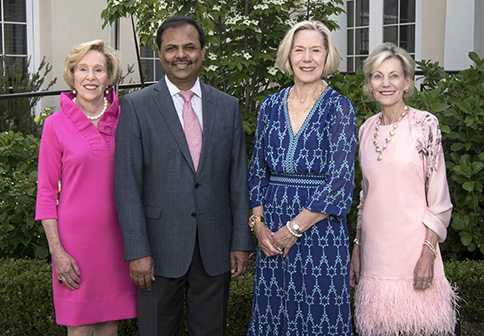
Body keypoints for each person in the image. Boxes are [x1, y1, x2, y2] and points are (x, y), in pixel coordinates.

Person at [113, 15, 252, 336]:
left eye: (189, 47)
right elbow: (127, 184)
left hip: (214, 248)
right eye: (171, 48)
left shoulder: (227, 107)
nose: (181, 54)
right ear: (159, 53)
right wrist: (137, 251)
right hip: (157, 251)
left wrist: (240, 242)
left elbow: (237, 180)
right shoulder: (136, 107)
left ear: (202, 52)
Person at [247, 21, 357, 335]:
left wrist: (293, 230)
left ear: (327, 56)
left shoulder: (340, 108)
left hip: (319, 232)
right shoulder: (268, 107)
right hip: (272, 237)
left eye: (315, 50)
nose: (307, 58)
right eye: (299, 50)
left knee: (319, 316)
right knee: (274, 315)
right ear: (289, 56)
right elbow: (257, 172)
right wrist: (260, 227)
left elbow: (340, 183)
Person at [350, 42, 458, 336]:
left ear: (407, 82)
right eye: (378, 76)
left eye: (394, 76)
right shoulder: (366, 129)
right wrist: (357, 248)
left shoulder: (425, 125)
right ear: (369, 85)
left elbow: (439, 199)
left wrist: (428, 253)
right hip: (375, 257)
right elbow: (365, 197)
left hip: (414, 252)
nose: (386, 83)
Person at [35, 40, 137, 335]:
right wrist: (57, 252)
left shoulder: (127, 119)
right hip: (74, 245)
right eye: (83, 69)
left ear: (109, 77)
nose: (90, 77)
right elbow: (44, 194)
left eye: (98, 70)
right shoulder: (55, 125)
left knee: (110, 327)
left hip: (118, 241)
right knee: (79, 330)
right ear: (72, 75)